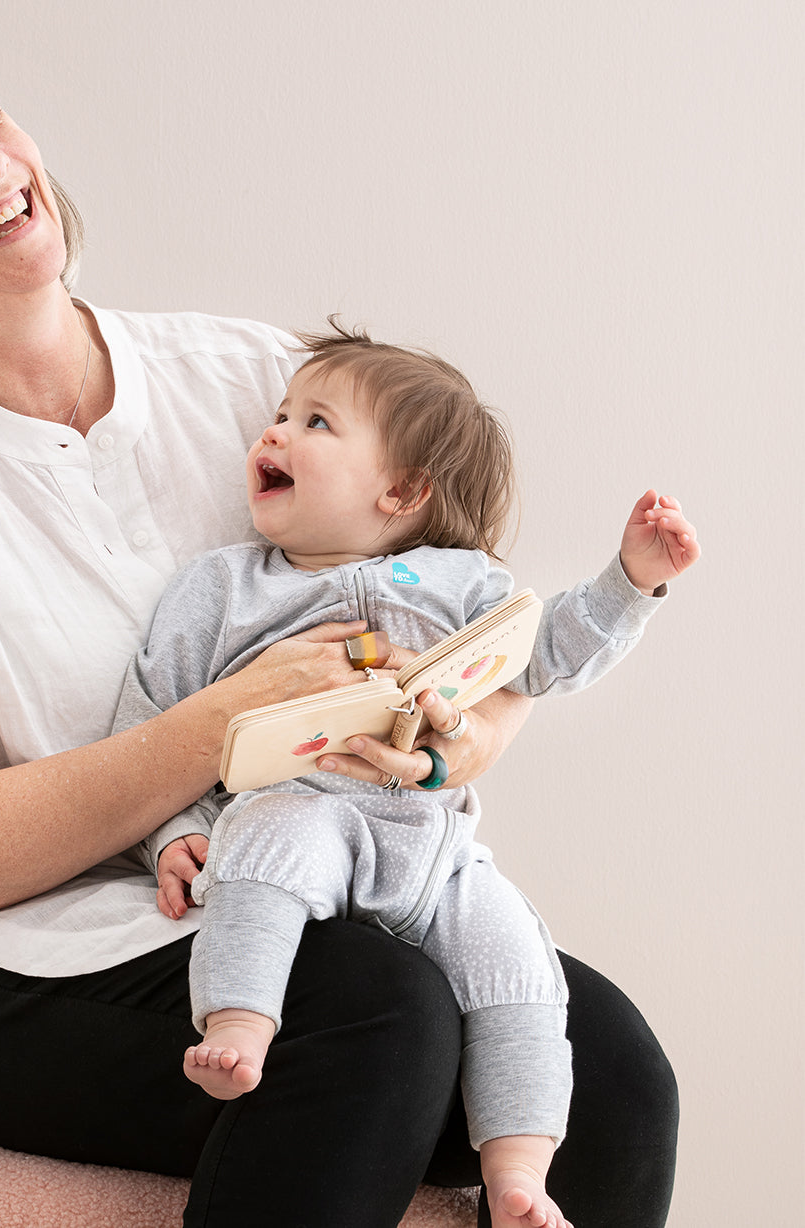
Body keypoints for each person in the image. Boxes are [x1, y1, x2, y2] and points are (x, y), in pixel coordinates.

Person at [0, 37, 680, 1228]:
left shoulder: (249, 377)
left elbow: (474, 625)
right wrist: (221, 728)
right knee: (370, 1012)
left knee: (609, 1071)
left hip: (304, 883)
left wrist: (449, 748)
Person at [115, 325, 699, 1228]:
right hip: (298, 807)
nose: (272, 436)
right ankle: (237, 1026)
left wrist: (628, 584)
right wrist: (174, 830)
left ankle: (518, 1172)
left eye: (314, 422)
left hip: (435, 847)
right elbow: (153, 715)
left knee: (520, 969)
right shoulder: (224, 588)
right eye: (275, 416)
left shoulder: (463, 585)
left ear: (402, 489)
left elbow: (543, 654)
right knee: (257, 860)